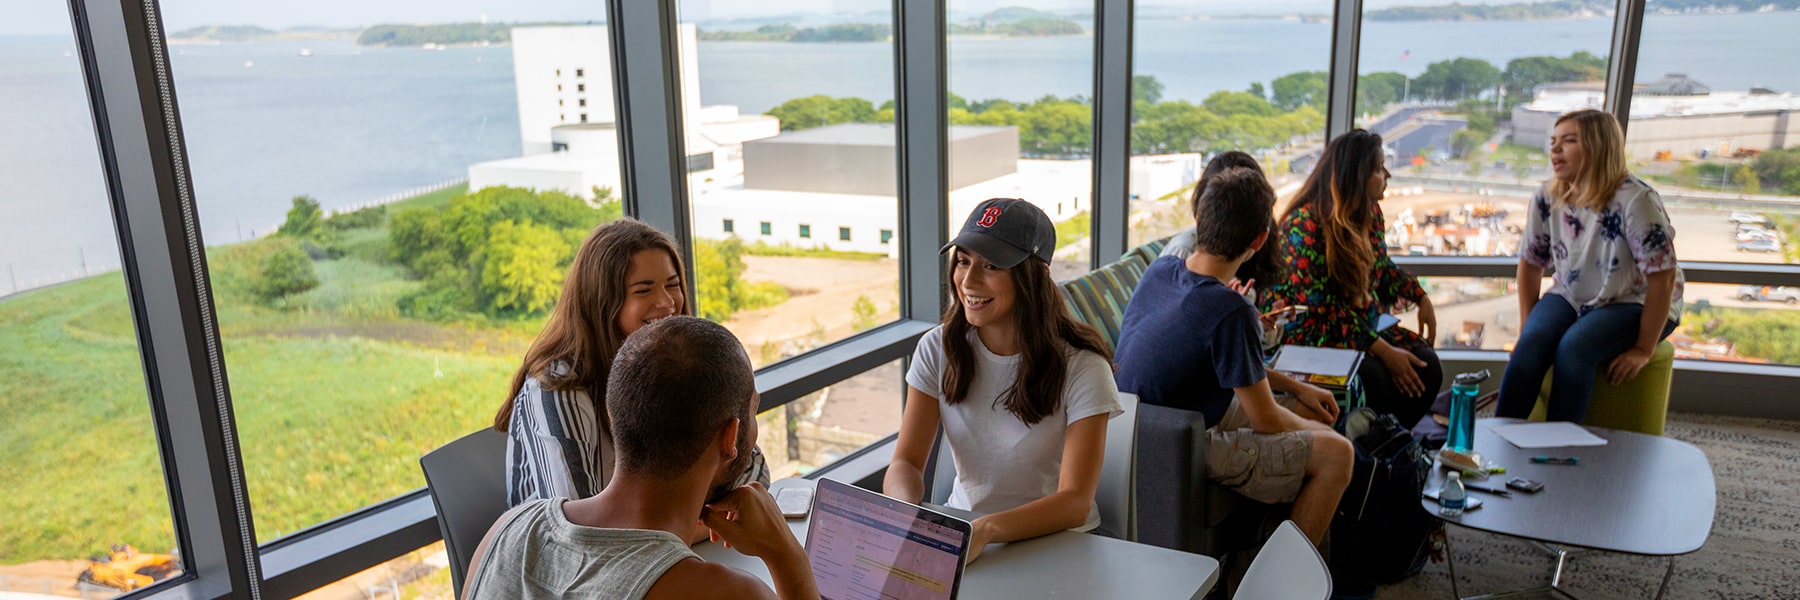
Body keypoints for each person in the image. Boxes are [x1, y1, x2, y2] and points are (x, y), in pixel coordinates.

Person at [463, 316, 818, 600]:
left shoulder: (506, 532)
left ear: (615, 413)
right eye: (754, 411)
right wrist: (787, 556)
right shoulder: (725, 593)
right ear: (730, 438)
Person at [1115, 167, 1353, 545]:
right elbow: (1266, 419)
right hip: (1183, 443)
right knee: (1338, 453)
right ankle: (1281, 583)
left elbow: (1227, 363)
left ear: (1200, 219)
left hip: (1150, 424)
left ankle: (1257, 544)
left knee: (1310, 412)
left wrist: (1297, 389)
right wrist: (1318, 433)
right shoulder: (1230, 309)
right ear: (1259, 240)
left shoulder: (1162, 270)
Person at [884, 198, 1122, 562]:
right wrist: (905, 516)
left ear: (1034, 275)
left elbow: (1076, 502)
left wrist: (987, 530)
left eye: (992, 265)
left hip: (1059, 543)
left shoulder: (1083, 365)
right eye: (963, 261)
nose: (968, 280)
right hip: (965, 531)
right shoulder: (937, 348)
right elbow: (906, 463)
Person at [493, 219, 768, 512]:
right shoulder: (558, 388)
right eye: (643, 290)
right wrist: (704, 520)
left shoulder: (675, 369)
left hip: (663, 546)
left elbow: (753, 471)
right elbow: (582, 531)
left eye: (672, 285)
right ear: (602, 301)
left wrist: (687, 520)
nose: (667, 302)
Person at [1497, 109, 1684, 421]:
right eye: (1553, 141)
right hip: (1573, 293)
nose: (1554, 149)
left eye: (1568, 141)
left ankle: (1557, 452)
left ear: (1598, 147)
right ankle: (1498, 445)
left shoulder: (1637, 200)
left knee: (1575, 348)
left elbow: (1662, 281)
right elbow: (1530, 265)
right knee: (1530, 347)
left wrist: (1643, 349)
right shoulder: (1546, 196)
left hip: (1633, 299)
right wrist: (1526, 330)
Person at [1263, 130, 1442, 427]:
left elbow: (1381, 268)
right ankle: (1373, 449)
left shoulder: (1370, 214)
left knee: (1427, 365)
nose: (1387, 175)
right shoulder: (1304, 225)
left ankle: (1388, 444)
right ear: (1357, 176)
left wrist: (1421, 297)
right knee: (1376, 378)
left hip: (1357, 326)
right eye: (1378, 168)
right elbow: (1320, 311)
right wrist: (1384, 351)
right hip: (1310, 332)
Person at [1161, 151, 1340, 411]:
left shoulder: (1239, 255)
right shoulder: (1180, 257)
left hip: (1229, 371)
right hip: (1199, 391)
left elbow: (1245, 343)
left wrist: (1261, 325)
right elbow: (1184, 343)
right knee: (1319, 421)